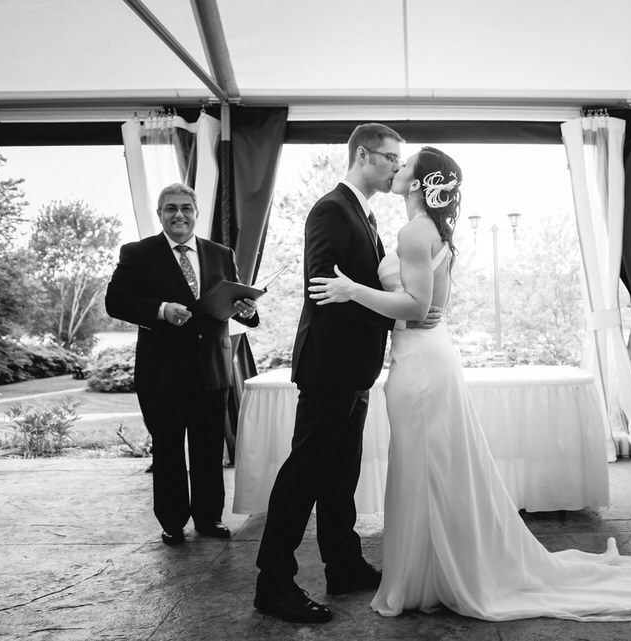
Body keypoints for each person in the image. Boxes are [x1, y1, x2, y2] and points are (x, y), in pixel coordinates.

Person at [309, 146, 631, 621]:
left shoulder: (414, 231)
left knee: (427, 468)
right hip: (423, 356)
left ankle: (436, 576)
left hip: (421, 364)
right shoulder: (429, 231)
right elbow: (423, 306)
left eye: (404, 163)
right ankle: (436, 572)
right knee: (430, 469)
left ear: (418, 183)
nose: (397, 166)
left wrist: (351, 290)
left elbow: (413, 306)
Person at [253, 124, 441, 624]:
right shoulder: (331, 209)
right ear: (363, 155)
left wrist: (393, 308)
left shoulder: (364, 211)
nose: (397, 167)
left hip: (354, 367)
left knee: (342, 471)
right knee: (305, 471)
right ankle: (273, 581)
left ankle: (344, 563)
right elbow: (323, 287)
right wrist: (394, 311)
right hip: (329, 365)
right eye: (390, 158)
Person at [105, 183, 259, 545]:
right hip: (162, 373)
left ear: (196, 213)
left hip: (211, 369)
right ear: (160, 214)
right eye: (171, 208)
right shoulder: (138, 253)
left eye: (186, 208)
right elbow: (115, 302)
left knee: (208, 449)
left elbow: (235, 298)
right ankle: (172, 521)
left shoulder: (221, 253)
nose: (179, 215)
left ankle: (209, 519)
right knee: (169, 450)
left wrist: (247, 310)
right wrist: (160, 310)